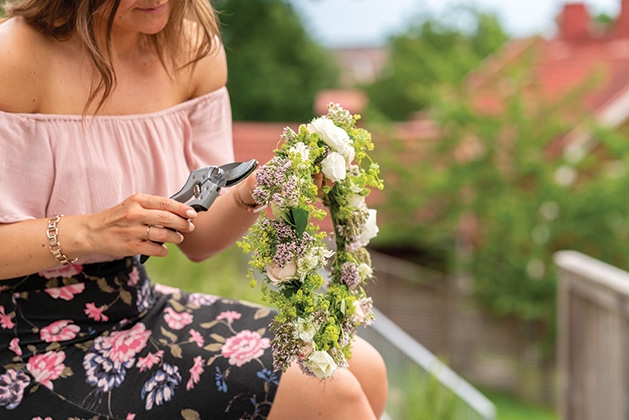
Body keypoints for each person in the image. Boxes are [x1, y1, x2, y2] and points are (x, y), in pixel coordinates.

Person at [0, 0, 388, 419]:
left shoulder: (192, 49)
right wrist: (90, 231)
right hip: (24, 342)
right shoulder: (13, 59)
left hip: (132, 305)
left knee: (364, 367)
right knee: (328, 396)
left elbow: (198, 238)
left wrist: (256, 190)